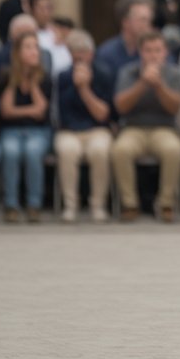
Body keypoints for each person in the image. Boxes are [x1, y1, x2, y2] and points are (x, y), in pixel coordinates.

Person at [110, 31, 180, 222]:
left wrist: (159, 86)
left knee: (174, 149)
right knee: (120, 150)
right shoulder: (128, 72)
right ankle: (130, 204)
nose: (153, 55)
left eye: (157, 50)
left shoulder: (174, 73)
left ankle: (166, 204)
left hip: (165, 128)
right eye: (148, 51)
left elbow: (175, 108)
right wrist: (142, 83)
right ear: (140, 52)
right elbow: (121, 106)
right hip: (133, 128)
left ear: (165, 52)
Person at [53, 30, 114, 224]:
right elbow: (62, 114)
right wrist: (75, 86)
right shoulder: (63, 77)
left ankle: (98, 205)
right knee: (68, 151)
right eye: (74, 52)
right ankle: (70, 206)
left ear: (91, 53)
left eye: (83, 52)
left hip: (97, 129)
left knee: (100, 151)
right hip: (69, 131)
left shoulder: (103, 74)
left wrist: (84, 89)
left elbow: (102, 114)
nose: (79, 57)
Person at [0, 32, 53, 222]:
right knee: (10, 152)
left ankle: (34, 205)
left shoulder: (45, 77)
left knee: (32, 152)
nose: (34, 51)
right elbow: (6, 111)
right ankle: (11, 205)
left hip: (39, 131)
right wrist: (17, 78)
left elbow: (41, 110)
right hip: (10, 130)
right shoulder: (6, 75)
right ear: (17, 52)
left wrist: (33, 81)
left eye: (36, 47)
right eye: (28, 47)